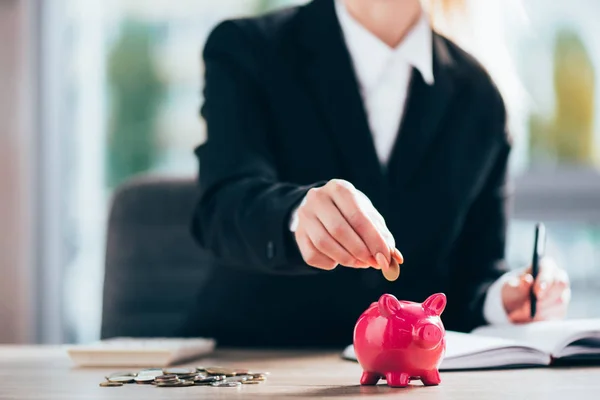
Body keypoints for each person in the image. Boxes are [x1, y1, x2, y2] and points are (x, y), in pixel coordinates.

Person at [188, 0, 571, 347]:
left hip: (405, 378)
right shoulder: (248, 48)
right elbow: (222, 206)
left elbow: (475, 275)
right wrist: (295, 215)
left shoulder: (480, 97)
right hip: (254, 360)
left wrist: (505, 300)